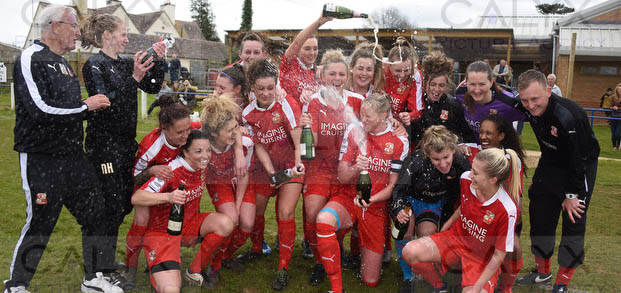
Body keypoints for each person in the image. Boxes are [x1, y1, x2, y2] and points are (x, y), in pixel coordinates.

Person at [6, 4, 121, 293]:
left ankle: (93, 279)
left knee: (96, 213)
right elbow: (39, 109)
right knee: (41, 222)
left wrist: (92, 109)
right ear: (54, 26)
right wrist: (86, 105)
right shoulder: (30, 58)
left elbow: (70, 111)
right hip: (41, 158)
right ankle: (16, 285)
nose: (79, 33)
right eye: (74, 26)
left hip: (73, 157)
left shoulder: (65, 64)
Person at [80, 14, 166, 287]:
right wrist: (133, 78)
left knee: (119, 205)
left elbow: (152, 87)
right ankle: (96, 271)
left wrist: (159, 61)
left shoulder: (125, 64)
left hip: (125, 145)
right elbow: (106, 105)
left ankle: (104, 262)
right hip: (103, 148)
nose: (127, 39)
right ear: (107, 35)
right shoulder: (94, 65)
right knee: (105, 207)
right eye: (123, 33)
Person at [315, 93, 409, 292]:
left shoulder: (399, 141)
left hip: (376, 206)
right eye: (362, 115)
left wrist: (371, 199)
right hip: (348, 197)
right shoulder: (354, 131)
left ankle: (364, 255)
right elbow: (342, 177)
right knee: (323, 220)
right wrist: (356, 167)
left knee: (370, 280)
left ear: (384, 115)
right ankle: (337, 288)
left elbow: (392, 186)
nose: (363, 120)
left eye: (368, 116)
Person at [516, 70, 599, 292]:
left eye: (535, 99)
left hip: (580, 165)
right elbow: (504, 102)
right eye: (525, 100)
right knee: (540, 214)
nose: (531, 106)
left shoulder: (569, 115)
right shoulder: (524, 104)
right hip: (551, 161)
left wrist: (571, 195)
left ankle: (562, 282)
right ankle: (543, 273)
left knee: (574, 219)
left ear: (549, 91)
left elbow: (578, 159)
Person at [402, 148, 521, 292]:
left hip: (481, 257)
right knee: (409, 251)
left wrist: (476, 288)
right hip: (455, 240)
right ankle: (440, 287)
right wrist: (448, 224)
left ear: (493, 179)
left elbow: (499, 255)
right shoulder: (466, 179)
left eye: (476, 173)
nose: (470, 174)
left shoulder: (507, 208)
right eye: (472, 169)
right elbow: (465, 205)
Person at [131, 130, 234, 291]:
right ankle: (158, 268)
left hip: (188, 226)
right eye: (198, 151)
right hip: (163, 234)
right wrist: (168, 197)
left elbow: (215, 126)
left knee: (226, 223)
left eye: (208, 150)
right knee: (172, 289)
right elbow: (137, 197)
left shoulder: (201, 166)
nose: (205, 155)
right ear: (185, 152)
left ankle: (193, 271)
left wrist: (238, 132)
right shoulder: (171, 171)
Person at [299, 50, 365, 285]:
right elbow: (313, 143)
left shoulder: (357, 101)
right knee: (312, 212)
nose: (337, 79)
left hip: (346, 169)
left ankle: (334, 247)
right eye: (332, 74)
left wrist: (396, 125)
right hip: (319, 168)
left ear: (347, 76)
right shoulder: (315, 102)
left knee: (338, 217)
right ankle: (320, 260)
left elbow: (375, 125)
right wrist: (306, 126)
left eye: (341, 74)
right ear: (323, 75)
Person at [241, 57, 305, 291]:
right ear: (252, 89)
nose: (267, 93)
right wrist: (271, 174)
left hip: (291, 161)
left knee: (285, 211)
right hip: (265, 167)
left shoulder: (286, 103)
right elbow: (258, 146)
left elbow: (298, 139)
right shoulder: (247, 113)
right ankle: (257, 248)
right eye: (261, 89)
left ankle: (283, 266)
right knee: (257, 209)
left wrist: (297, 165)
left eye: (271, 87)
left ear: (276, 85)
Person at [124, 95, 196, 284]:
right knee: (142, 221)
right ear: (165, 128)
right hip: (146, 186)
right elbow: (134, 177)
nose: (186, 135)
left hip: (171, 184)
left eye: (188, 129)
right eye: (180, 132)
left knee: (170, 221)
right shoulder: (151, 146)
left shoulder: (189, 131)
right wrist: (151, 170)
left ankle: (156, 257)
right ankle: (130, 267)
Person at [390, 125, 471, 292]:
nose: (443, 163)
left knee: (427, 235)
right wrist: (398, 211)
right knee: (405, 229)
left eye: (446, 157)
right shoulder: (416, 161)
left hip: (432, 203)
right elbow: (398, 190)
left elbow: (473, 190)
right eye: (436, 159)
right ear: (427, 154)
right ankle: (408, 277)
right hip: (410, 200)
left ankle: (428, 275)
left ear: (452, 149)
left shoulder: (461, 160)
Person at [459, 114, 526, 292]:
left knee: (513, 249)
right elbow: (445, 146)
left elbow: (515, 192)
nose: (483, 137)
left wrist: (515, 215)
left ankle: (506, 287)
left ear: (501, 136)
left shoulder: (510, 159)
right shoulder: (471, 149)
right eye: (481, 132)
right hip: (473, 216)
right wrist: (459, 150)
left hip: (498, 215)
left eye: (489, 133)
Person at [200, 94, 254, 282]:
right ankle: (215, 264)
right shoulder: (202, 146)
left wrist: (239, 204)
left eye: (235, 128)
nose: (235, 132)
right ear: (213, 133)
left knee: (246, 224)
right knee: (230, 220)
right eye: (229, 130)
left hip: (241, 183)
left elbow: (244, 174)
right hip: (219, 184)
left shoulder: (245, 143)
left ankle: (225, 255)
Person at [409, 51, 475, 144]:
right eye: (432, 84)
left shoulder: (453, 105)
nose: (437, 89)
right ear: (424, 82)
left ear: (447, 85)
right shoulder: (415, 104)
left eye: (441, 85)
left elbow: (466, 136)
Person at [455, 60, 525, 141]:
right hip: (474, 149)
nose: (477, 90)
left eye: (482, 84)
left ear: (491, 82)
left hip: (500, 151)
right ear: (465, 83)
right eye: (472, 84)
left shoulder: (508, 102)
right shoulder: (461, 94)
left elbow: (534, 117)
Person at [279, 13, 331, 104]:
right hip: (290, 116)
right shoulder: (290, 64)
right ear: (298, 50)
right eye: (307, 49)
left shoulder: (318, 74)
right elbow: (296, 43)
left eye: (315, 48)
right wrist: (319, 22)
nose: (312, 53)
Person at [384, 37, 424, 124]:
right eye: (397, 70)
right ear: (389, 66)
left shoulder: (415, 75)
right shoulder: (382, 69)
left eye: (407, 70)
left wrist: (409, 116)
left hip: (401, 122)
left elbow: (418, 110)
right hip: (381, 119)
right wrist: (389, 117)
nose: (402, 75)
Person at [609, 84, 621, 150]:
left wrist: (618, 108)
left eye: (620, 90)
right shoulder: (613, 97)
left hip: (620, 118)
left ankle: (618, 144)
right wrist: (613, 107)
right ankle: (614, 146)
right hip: (613, 116)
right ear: (616, 90)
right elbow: (610, 106)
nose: (619, 91)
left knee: (617, 133)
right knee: (613, 133)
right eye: (618, 89)